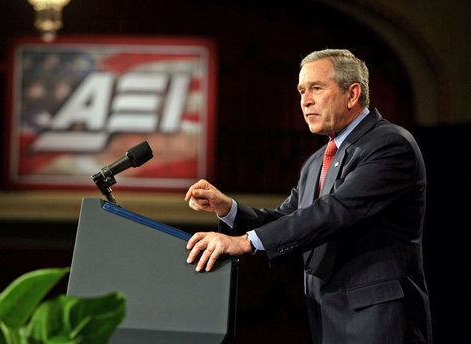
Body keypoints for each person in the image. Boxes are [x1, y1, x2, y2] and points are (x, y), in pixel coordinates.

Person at [184, 49, 432, 343]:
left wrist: (245, 242)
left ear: (352, 94)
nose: (305, 100)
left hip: (378, 320)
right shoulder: (317, 161)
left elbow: (335, 211)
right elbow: (287, 218)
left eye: (316, 88)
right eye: (301, 91)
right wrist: (229, 209)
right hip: (329, 319)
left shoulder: (389, 144)